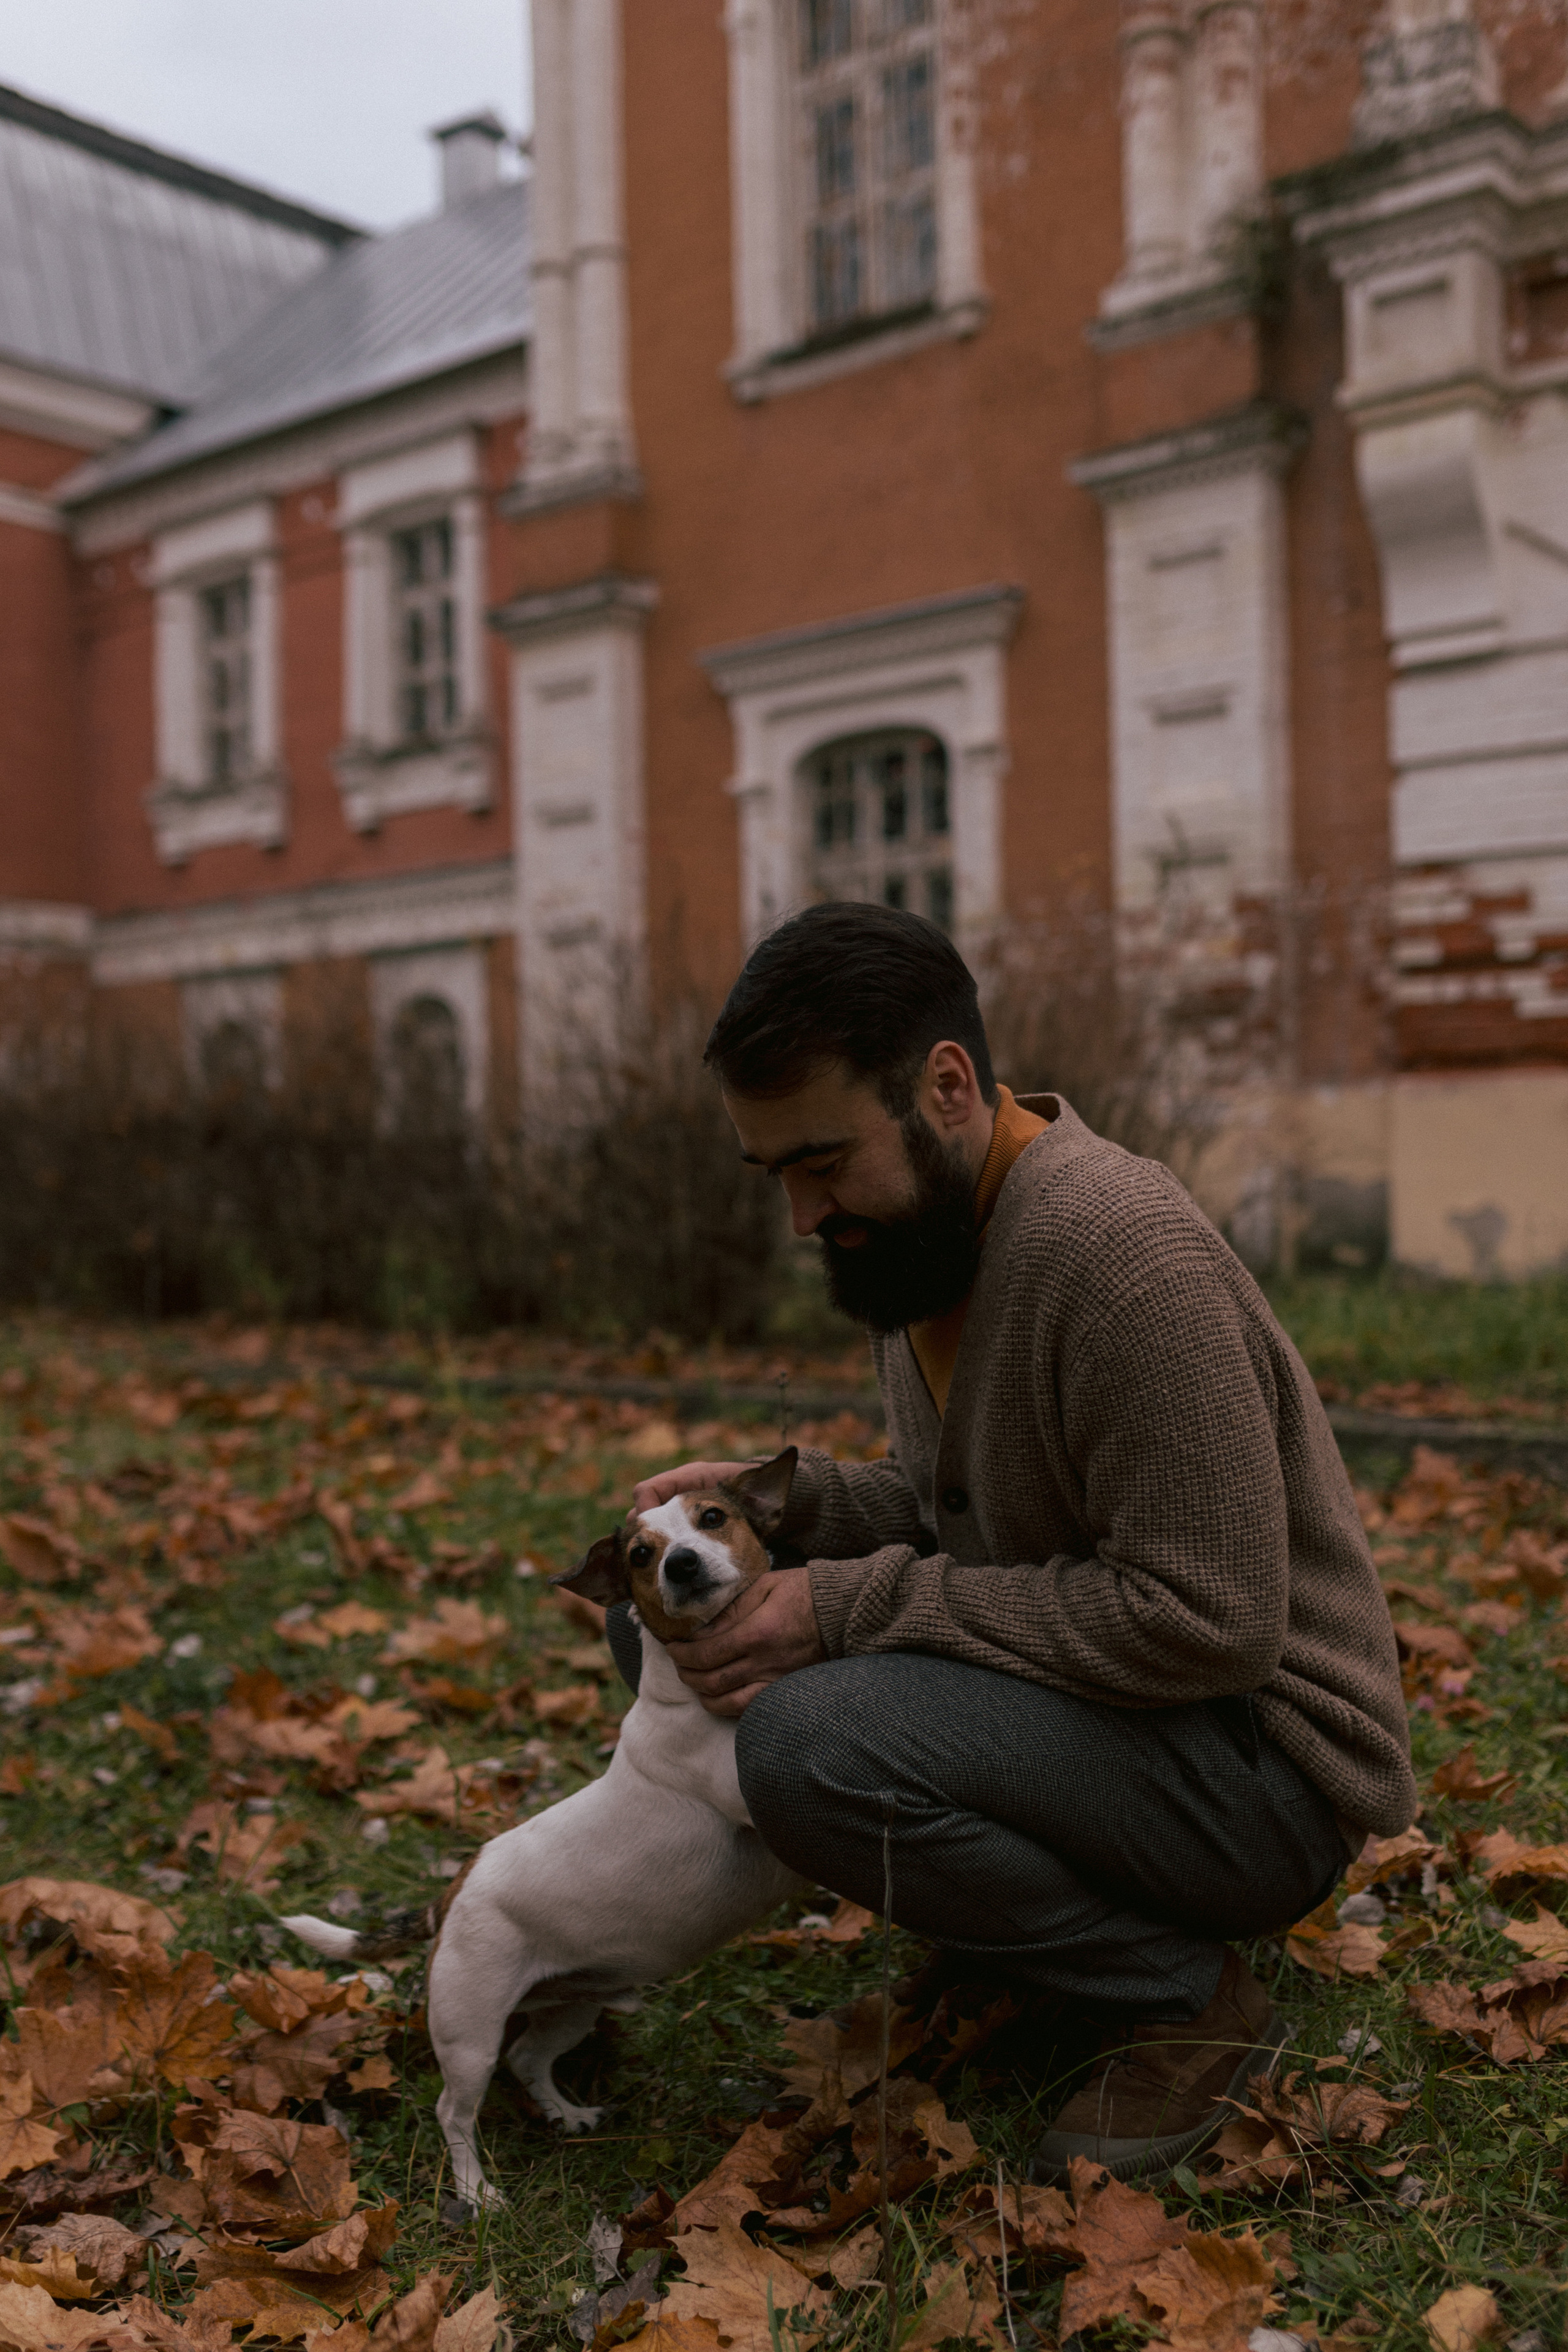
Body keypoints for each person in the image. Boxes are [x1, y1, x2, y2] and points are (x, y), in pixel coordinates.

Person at [619, 902, 1415, 2186]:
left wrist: (845, 1608)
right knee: (668, 1604)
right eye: (774, 1176)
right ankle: (1022, 1939)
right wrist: (789, 1512)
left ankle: (1179, 1995)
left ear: (944, 1086)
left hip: (1258, 1773)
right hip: (1133, 1723)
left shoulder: (1118, 1259)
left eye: (820, 1163)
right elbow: (985, 1514)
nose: (801, 1218)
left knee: (801, 1740)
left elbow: (1202, 1622)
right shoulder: (935, 1233)